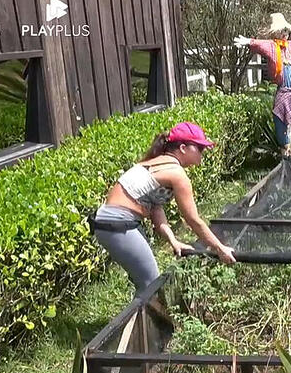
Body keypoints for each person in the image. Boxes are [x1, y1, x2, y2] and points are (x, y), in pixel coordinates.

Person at [91, 122, 236, 292]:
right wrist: (220, 248)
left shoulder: (154, 162)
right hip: (118, 225)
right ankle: (146, 318)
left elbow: (155, 208)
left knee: (144, 282)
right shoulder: (177, 174)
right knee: (151, 286)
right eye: (200, 148)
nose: (203, 154)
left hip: (109, 223)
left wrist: (173, 241)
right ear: (183, 148)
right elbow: (193, 220)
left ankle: (141, 315)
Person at [234, 13, 291, 157]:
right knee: (281, 118)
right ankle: (285, 147)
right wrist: (248, 41)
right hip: (283, 91)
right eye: (282, 31)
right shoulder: (272, 47)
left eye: (286, 31)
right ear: (276, 32)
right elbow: (259, 44)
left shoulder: (290, 47)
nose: (285, 34)